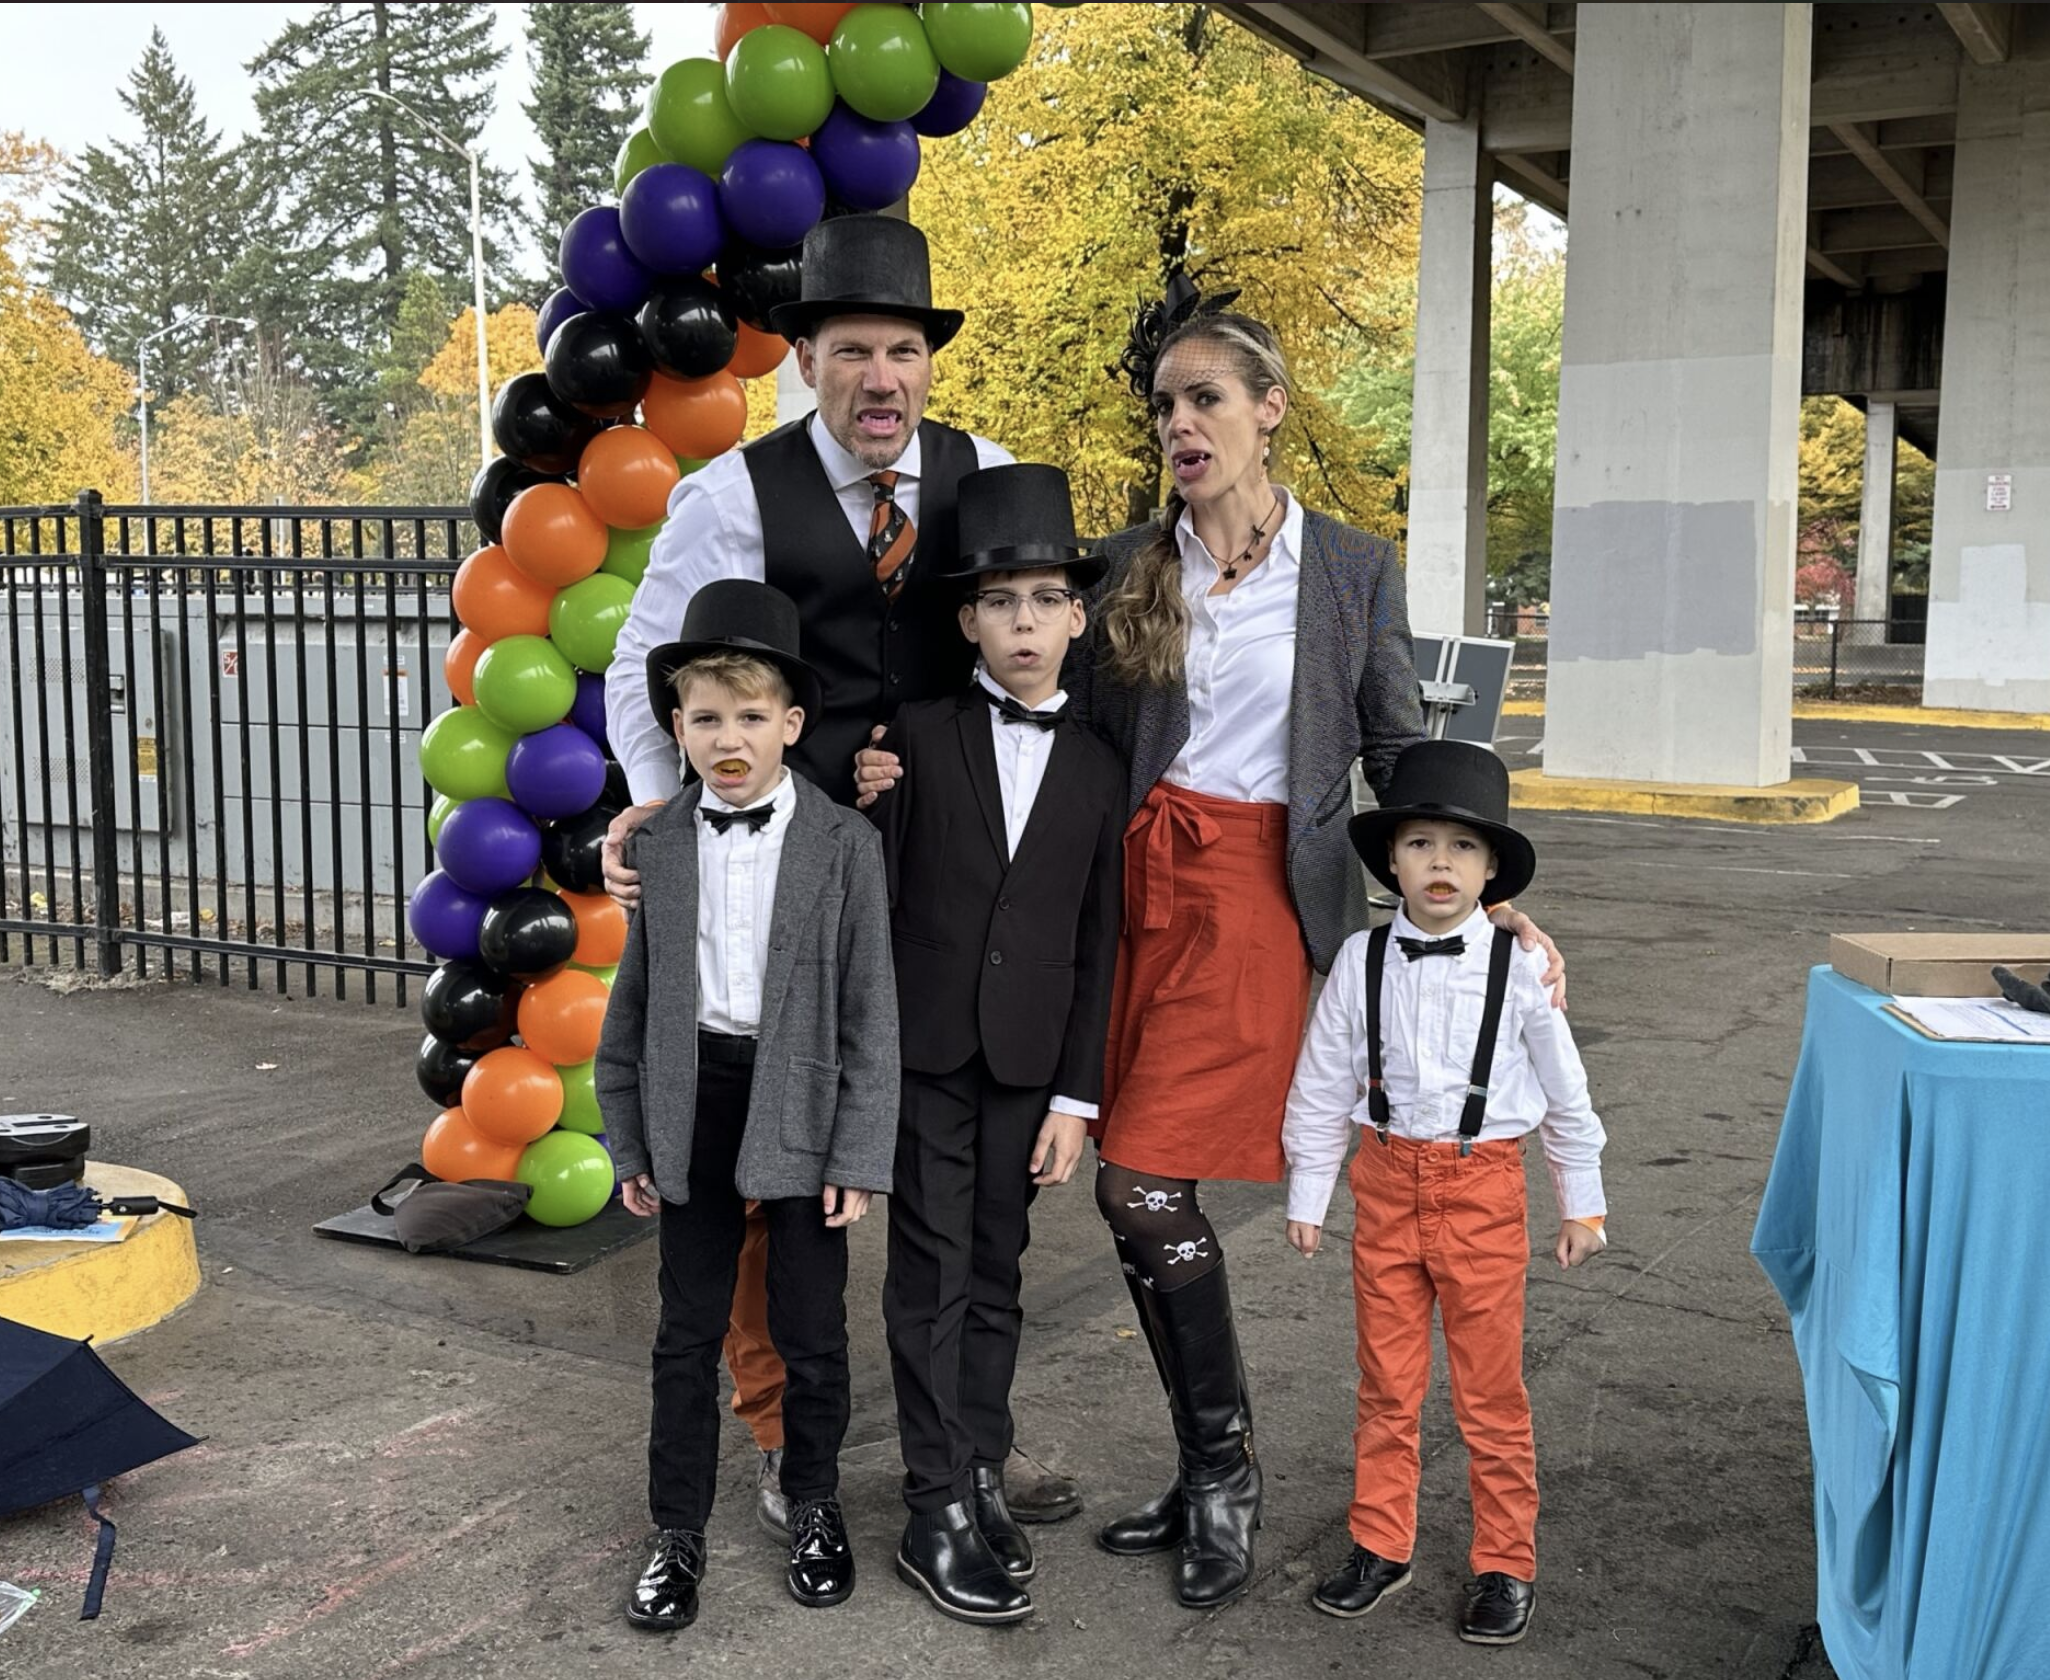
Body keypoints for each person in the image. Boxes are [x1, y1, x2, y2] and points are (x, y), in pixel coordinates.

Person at [602, 214, 1081, 1528]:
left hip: (945, 867)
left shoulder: (982, 472)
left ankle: (970, 1427)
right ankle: (773, 1419)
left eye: (905, 351)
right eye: (854, 349)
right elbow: (642, 680)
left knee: (961, 1147)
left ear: (929, 364)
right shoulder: (728, 497)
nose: (883, 378)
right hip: (786, 877)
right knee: (770, 1146)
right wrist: (663, 818)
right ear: (804, 357)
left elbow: (1031, 649)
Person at [596, 579, 899, 1632]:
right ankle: (674, 1530)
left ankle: (814, 1503)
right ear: (677, 729)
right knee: (685, 1335)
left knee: (812, 1331)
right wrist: (629, 1134)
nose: (732, 740)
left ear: (792, 725)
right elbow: (628, 1014)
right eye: (708, 718)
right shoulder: (657, 846)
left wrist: (859, 1153)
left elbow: (871, 1011)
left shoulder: (843, 846)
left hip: (802, 1103)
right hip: (695, 1100)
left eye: (752, 716)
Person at [866, 465, 1125, 1626]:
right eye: (1001, 602)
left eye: (1045, 602)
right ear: (968, 618)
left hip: (1030, 1063)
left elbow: (1098, 936)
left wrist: (1079, 1094)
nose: (1024, 623)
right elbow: (867, 896)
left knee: (997, 1271)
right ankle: (931, 1504)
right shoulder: (910, 740)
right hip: (924, 1054)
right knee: (927, 1274)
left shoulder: (1103, 763)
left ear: (1079, 615)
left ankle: (979, 1466)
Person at [1281, 739, 1606, 1647]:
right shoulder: (1362, 958)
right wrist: (1309, 1191)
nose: (1440, 864)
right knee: (1387, 1384)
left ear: (1492, 870)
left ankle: (1506, 1561)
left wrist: (1582, 1200)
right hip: (1384, 1181)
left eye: (1463, 849)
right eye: (1421, 844)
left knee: (1490, 1393)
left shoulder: (1524, 969)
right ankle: (1380, 1542)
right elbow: (1321, 1078)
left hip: (1482, 1185)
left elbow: (1565, 1094)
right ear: (1392, 859)